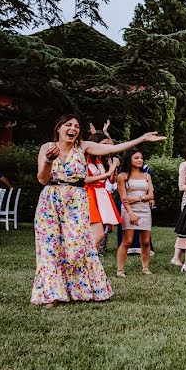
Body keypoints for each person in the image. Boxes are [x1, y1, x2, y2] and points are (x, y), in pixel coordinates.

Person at [31, 114, 164, 306]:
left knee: (76, 247)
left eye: (77, 126)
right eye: (68, 125)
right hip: (50, 200)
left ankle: (80, 290)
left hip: (76, 201)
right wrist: (48, 162)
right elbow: (42, 179)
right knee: (49, 247)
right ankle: (52, 294)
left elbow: (112, 148)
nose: (73, 129)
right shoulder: (46, 147)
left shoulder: (83, 147)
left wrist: (141, 139)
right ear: (58, 128)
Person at [115, 151, 155, 277]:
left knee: (146, 241)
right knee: (127, 240)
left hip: (144, 209)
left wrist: (137, 198)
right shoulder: (122, 176)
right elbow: (124, 198)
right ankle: (120, 270)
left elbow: (151, 195)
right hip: (128, 210)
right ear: (129, 160)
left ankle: (145, 267)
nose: (140, 160)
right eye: (136, 158)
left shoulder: (147, 176)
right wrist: (131, 214)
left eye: (142, 157)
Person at [84, 132, 121, 252]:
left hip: (102, 193)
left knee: (100, 233)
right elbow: (85, 179)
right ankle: (88, 261)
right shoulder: (84, 159)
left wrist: (113, 169)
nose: (107, 147)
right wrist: (107, 173)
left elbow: (111, 180)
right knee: (96, 233)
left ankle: (90, 262)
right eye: (104, 144)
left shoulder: (101, 160)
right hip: (89, 193)